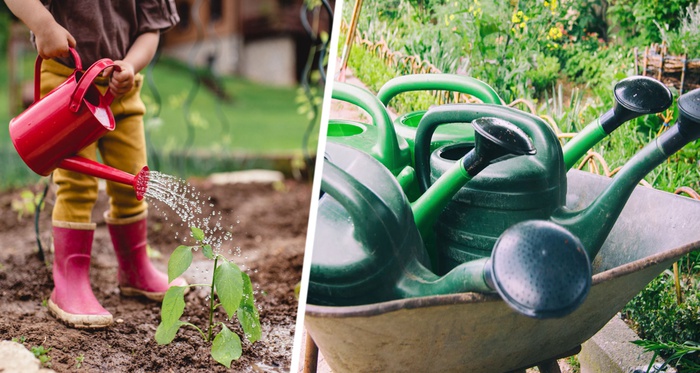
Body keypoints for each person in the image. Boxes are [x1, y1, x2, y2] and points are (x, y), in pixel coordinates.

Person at [4, 0, 186, 329]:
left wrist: (130, 65)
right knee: (77, 186)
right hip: (66, 82)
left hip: (121, 89)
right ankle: (69, 281)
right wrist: (43, 25)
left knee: (133, 180)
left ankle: (135, 268)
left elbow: (151, 29)